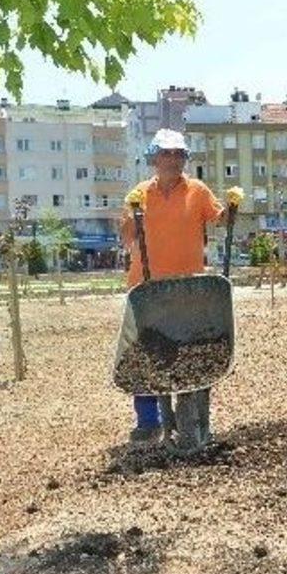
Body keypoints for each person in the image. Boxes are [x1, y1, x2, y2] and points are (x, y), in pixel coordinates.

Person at [119, 129, 243, 451]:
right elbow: (127, 237)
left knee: (189, 353)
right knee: (146, 356)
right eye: (166, 153)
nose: (173, 160)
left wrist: (231, 208)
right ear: (154, 158)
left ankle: (191, 420)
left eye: (179, 154)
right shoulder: (140, 193)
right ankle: (149, 422)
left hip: (189, 288)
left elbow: (218, 219)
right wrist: (132, 213)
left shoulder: (198, 191)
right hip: (148, 288)